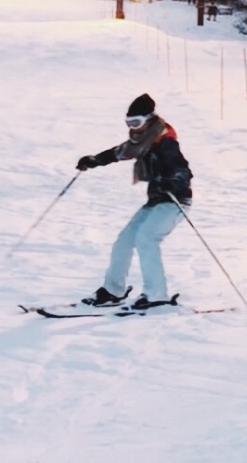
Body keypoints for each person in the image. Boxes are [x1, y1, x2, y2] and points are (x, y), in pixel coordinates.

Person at [75, 93, 192, 309]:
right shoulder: (142, 141)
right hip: (156, 201)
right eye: (129, 123)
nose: (133, 127)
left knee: (147, 239)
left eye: (136, 122)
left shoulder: (165, 142)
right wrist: (94, 161)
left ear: (149, 119)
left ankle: (156, 295)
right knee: (124, 241)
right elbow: (120, 152)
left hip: (175, 200)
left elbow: (183, 170)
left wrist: (172, 180)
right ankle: (112, 291)